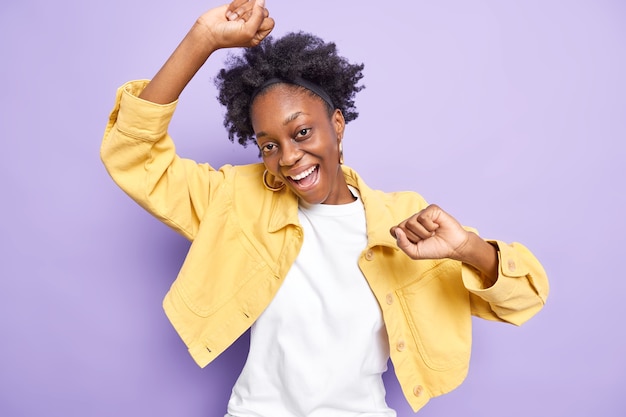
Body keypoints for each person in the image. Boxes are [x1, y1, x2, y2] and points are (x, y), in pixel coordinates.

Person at [100, 0, 549, 415]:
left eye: (301, 133)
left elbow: (526, 298)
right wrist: (204, 38)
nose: (288, 157)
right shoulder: (236, 200)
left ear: (337, 125)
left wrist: (468, 249)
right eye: (269, 145)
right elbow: (133, 155)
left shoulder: (402, 223)